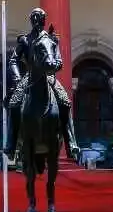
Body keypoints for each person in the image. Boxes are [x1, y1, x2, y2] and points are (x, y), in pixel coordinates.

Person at [5, 8, 80, 162]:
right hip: (28, 77)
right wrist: (18, 78)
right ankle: (11, 144)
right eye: (37, 18)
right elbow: (13, 60)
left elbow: (58, 61)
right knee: (13, 104)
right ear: (32, 20)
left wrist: (55, 64)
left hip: (49, 77)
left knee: (65, 102)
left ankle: (71, 143)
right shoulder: (25, 40)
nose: (40, 21)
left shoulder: (51, 40)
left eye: (42, 18)